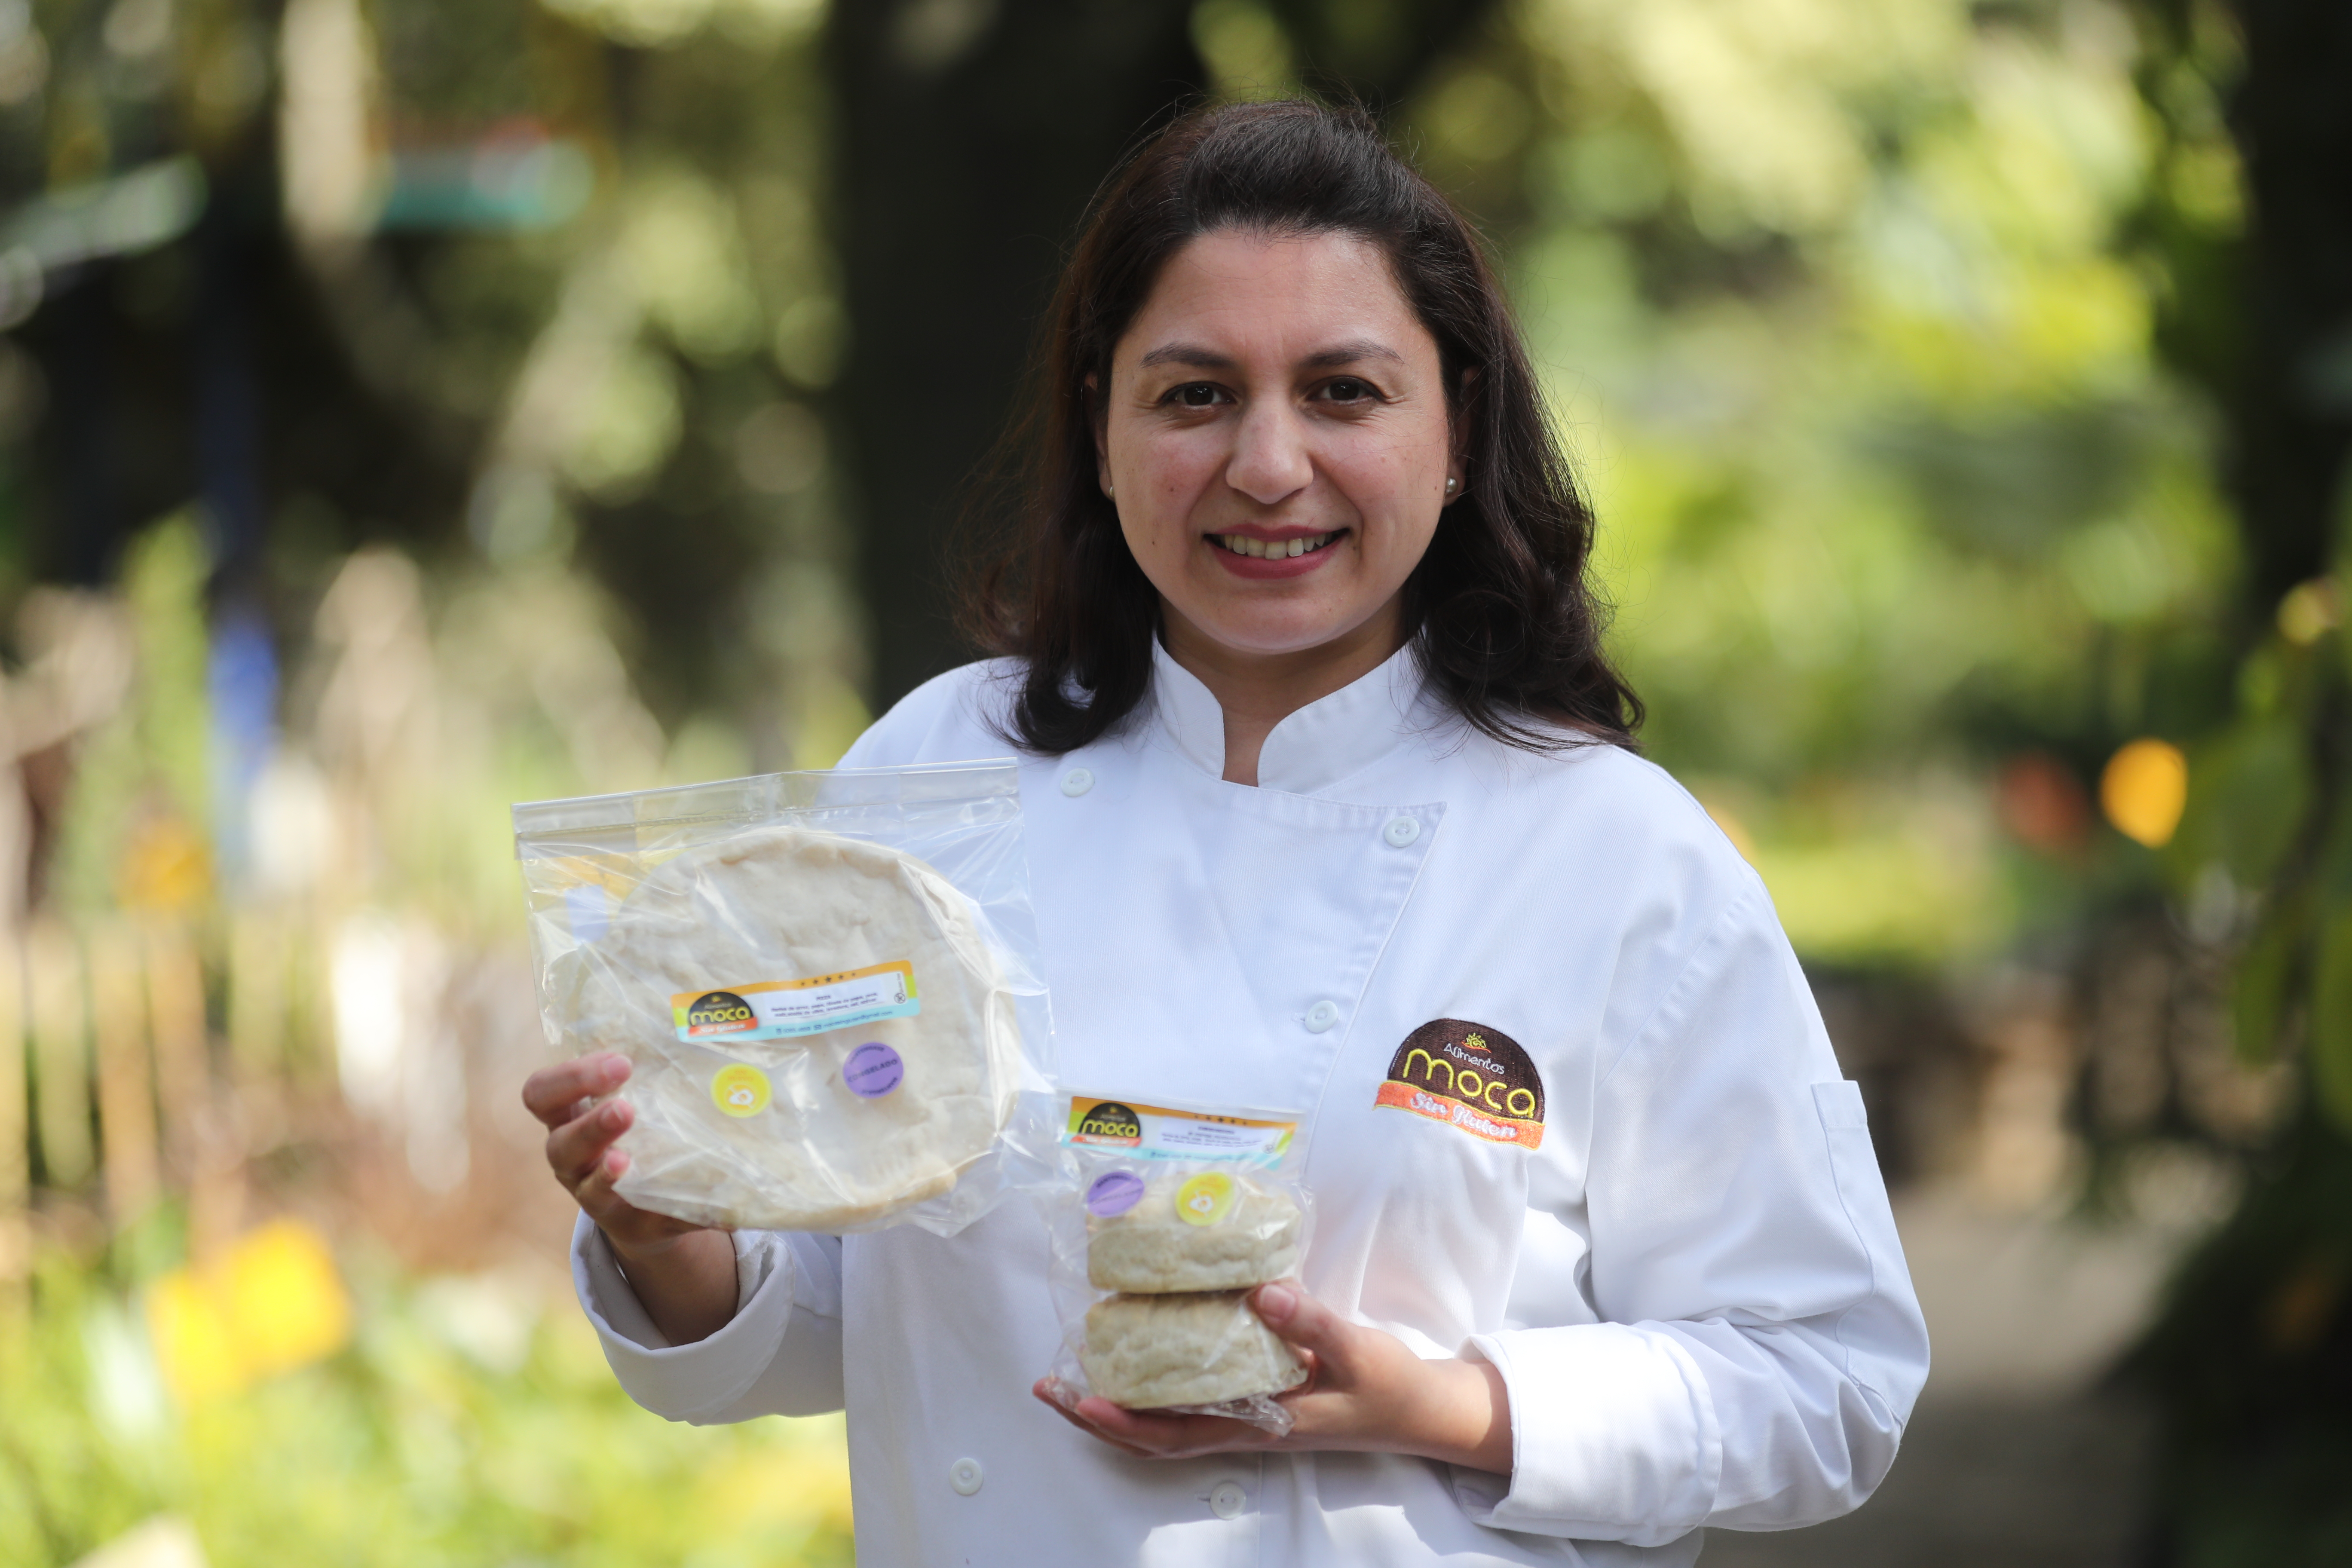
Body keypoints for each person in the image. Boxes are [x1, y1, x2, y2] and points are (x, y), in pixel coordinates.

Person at [522, 99, 1928, 1567]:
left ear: (1454, 432)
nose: (1267, 465)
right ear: (1104, 426)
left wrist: (1448, 1404)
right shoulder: (934, 774)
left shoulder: (1618, 858)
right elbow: (835, 1316)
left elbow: (1827, 1384)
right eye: (1194, 395)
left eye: (1343, 393)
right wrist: (664, 1227)